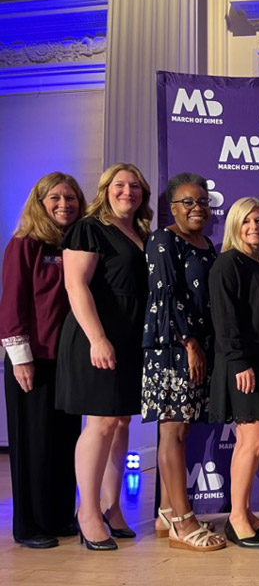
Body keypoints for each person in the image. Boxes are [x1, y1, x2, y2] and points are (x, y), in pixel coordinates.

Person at [56, 163, 151, 550]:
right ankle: (88, 513)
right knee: (101, 422)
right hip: (96, 335)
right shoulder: (89, 228)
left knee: (121, 421)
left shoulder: (141, 233)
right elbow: (75, 285)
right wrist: (97, 338)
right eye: (119, 185)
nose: (128, 191)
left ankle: (112, 507)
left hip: (130, 338)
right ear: (105, 190)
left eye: (135, 186)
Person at [0, 172, 86, 549]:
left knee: (63, 441)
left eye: (71, 198)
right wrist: (20, 358)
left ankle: (59, 516)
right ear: (40, 202)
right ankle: (29, 525)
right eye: (55, 198)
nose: (64, 204)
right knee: (32, 443)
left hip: (68, 361)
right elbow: (12, 302)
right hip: (32, 360)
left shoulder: (77, 244)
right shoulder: (25, 243)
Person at [141, 173, 225, 551]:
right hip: (173, 348)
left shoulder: (206, 245)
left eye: (202, 201)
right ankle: (182, 521)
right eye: (188, 202)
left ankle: (166, 512)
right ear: (172, 208)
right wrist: (189, 343)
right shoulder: (164, 239)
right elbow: (167, 294)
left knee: (182, 430)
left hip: (198, 347)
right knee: (173, 431)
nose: (197, 208)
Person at [209, 197, 259, 548]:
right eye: (247, 221)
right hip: (241, 364)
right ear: (235, 226)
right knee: (254, 438)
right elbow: (225, 319)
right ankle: (236, 518)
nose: (255, 227)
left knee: (253, 440)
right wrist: (239, 362)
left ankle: (247, 512)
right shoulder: (228, 263)